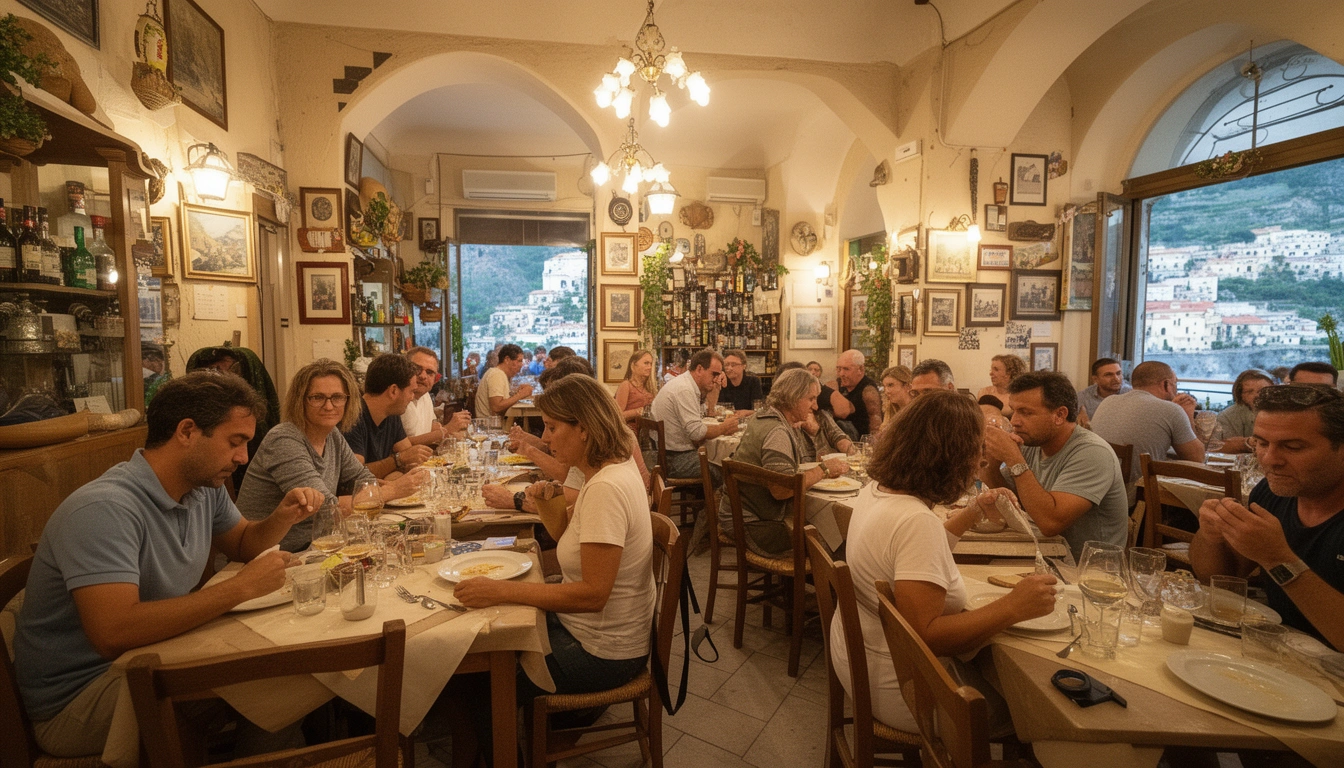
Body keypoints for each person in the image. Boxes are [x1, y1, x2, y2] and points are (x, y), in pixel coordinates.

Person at [13, 372, 325, 758]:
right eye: (235, 442)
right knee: (281, 679)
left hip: (151, 659)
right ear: (187, 431)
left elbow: (245, 543)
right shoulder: (105, 509)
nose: (243, 457)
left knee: (293, 668)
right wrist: (240, 588)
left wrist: (283, 516)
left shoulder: (201, 488)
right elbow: (113, 632)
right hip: (81, 698)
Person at [834, 390, 1058, 732]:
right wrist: (1014, 606)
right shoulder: (914, 521)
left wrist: (973, 511)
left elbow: (910, 549)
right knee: (1042, 710)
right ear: (952, 457)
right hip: (909, 693)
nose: (980, 463)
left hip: (861, 665)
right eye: (977, 452)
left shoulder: (878, 489)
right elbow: (927, 635)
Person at [455, 373, 655, 709]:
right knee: (491, 634)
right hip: (596, 633)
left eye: (551, 427)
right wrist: (548, 502)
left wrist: (499, 589)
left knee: (478, 684)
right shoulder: (605, 472)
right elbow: (568, 537)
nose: (545, 439)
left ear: (584, 428)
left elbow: (593, 595)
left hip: (602, 651)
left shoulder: (606, 488)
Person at [1190, 384, 1344, 650]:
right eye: (1261, 443)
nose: (1270, 459)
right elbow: (1222, 577)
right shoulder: (1273, 493)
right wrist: (1211, 535)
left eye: (1293, 447)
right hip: (1280, 652)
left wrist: (1278, 559)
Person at [238, 359, 424, 551]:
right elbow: (325, 508)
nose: (329, 406)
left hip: (316, 545)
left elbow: (362, 478)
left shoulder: (333, 434)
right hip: (275, 553)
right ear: (300, 400)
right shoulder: (283, 439)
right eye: (317, 398)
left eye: (337, 397)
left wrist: (380, 489)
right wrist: (392, 490)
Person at [980, 371, 1129, 558]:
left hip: (1087, 572)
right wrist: (989, 463)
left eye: (1026, 413)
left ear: (1059, 415)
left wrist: (1013, 458)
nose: (1014, 421)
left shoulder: (1092, 452)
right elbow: (1014, 506)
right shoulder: (1033, 443)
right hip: (1045, 555)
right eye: (1013, 411)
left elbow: (1050, 523)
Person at [719, 368, 851, 556]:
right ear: (793, 397)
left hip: (741, 514)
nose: (814, 406)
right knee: (840, 547)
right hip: (753, 525)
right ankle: (818, 583)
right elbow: (782, 489)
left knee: (830, 535)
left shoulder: (763, 417)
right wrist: (824, 469)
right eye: (811, 399)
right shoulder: (777, 432)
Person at [1090, 360, 1204, 483]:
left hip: (1097, 485)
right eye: (1175, 383)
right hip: (1136, 494)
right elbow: (1197, 459)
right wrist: (1188, 415)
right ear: (1166, 384)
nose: (1176, 388)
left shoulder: (1108, 401)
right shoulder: (1171, 409)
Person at [648, 349, 741, 480]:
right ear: (699, 369)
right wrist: (724, 428)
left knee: (722, 462)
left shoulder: (688, 385)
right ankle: (716, 500)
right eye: (714, 374)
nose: (716, 379)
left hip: (669, 453)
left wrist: (714, 388)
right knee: (727, 470)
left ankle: (708, 499)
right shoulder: (684, 389)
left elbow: (708, 413)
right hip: (673, 459)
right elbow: (696, 433)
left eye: (719, 375)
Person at [344, 353, 431, 479]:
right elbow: (355, 475)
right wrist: (398, 460)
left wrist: (401, 467)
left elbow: (410, 456)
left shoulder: (391, 414)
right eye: (411, 391)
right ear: (393, 391)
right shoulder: (352, 418)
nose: (412, 398)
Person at [402, 346, 470, 446]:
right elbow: (399, 446)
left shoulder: (425, 396)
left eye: (429, 372)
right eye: (417, 369)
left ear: (435, 379)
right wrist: (446, 430)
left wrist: (449, 431)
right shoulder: (397, 400)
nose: (423, 376)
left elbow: (431, 427)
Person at [825, 349, 883, 439]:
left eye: (846, 369)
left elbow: (876, 424)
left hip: (859, 442)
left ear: (860, 369)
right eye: (838, 368)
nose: (841, 373)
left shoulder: (868, 390)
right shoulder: (837, 384)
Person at [1216, 369, 1275, 453]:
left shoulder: (1284, 413)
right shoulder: (1227, 416)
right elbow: (1220, 447)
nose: (1257, 395)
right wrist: (1246, 443)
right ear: (1240, 395)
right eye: (1250, 392)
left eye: (1263, 390)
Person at [474, 343, 534, 419]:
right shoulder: (496, 374)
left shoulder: (500, 374)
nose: (521, 364)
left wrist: (516, 392)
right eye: (519, 361)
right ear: (507, 360)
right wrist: (520, 395)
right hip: (491, 427)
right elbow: (496, 407)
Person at [614, 349, 658, 430]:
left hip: (648, 434)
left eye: (651, 364)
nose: (649, 367)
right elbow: (617, 416)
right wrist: (637, 411)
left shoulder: (649, 387)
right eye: (646, 363)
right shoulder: (626, 385)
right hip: (630, 432)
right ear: (634, 365)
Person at [718, 349, 763, 415]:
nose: (729, 368)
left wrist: (745, 413)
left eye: (733, 365)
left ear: (744, 366)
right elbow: (717, 408)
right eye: (726, 365)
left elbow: (759, 410)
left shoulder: (753, 381)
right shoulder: (722, 381)